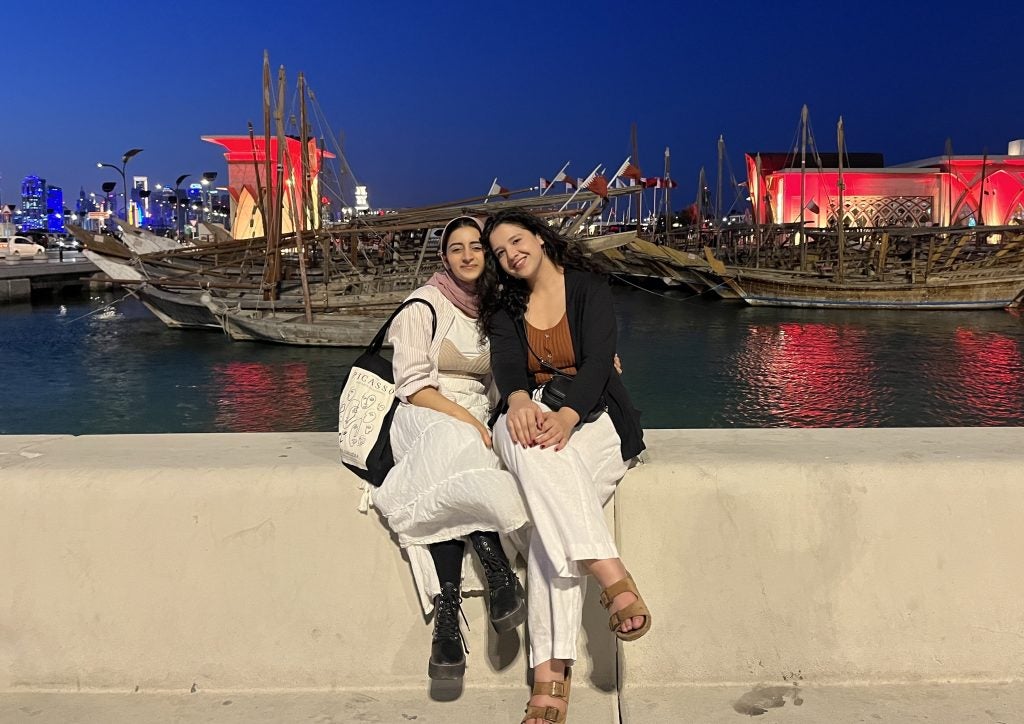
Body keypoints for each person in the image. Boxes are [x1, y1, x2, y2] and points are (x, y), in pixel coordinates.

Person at [478, 209, 650, 724]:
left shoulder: (588, 289)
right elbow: (507, 361)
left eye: (516, 240)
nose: (511, 253)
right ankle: (610, 573)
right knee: (531, 450)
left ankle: (550, 676)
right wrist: (517, 400)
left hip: (594, 413)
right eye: (500, 251)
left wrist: (570, 415)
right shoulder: (505, 304)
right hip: (525, 409)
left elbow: (600, 358)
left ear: (539, 236)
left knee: (549, 527)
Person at [369, 216, 529, 681]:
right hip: (424, 413)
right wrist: (468, 422)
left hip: (476, 414)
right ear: (444, 257)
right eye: (455, 248)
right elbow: (414, 385)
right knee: (454, 443)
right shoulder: (422, 305)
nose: (466, 256)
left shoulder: (495, 309)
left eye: (475, 247)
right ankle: (495, 566)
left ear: (487, 254)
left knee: (456, 461)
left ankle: (446, 626)